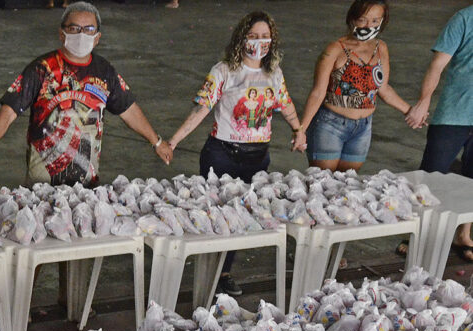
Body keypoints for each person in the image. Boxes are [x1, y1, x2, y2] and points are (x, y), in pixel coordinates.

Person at [167, 10, 305, 297]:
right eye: (253, 36)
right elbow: (201, 109)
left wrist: (298, 130)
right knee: (218, 217)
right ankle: (206, 274)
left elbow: (285, 105)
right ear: (241, 38)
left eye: (264, 36)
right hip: (222, 155)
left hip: (257, 158)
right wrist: (174, 140)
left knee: (242, 217)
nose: (259, 42)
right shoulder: (224, 71)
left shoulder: (273, 73)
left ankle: (224, 274)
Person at [0, 2, 172, 188]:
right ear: (62, 34)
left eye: (89, 29)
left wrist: (157, 141)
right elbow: (7, 113)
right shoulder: (41, 69)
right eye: (74, 28)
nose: (82, 35)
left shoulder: (105, 71)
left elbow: (128, 109)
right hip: (42, 179)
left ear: (97, 38)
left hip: (87, 181)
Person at [298, 1, 413, 172]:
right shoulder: (335, 49)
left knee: (348, 185)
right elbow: (318, 92)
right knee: (322, 184)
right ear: (352, 19)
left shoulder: (381, 48)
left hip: (363, 128)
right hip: (330, 125)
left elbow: (383, 89)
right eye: (363, 20)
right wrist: (301, 130)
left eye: (375, 21)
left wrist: (410, 111)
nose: (369, 25)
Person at [407, 4, 473, 262]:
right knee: (430, 177)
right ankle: (415, 233)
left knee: (472, 180)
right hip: (453, 114)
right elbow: (437, 65)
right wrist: (424, 101)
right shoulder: (464, 19)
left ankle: (464, 234)